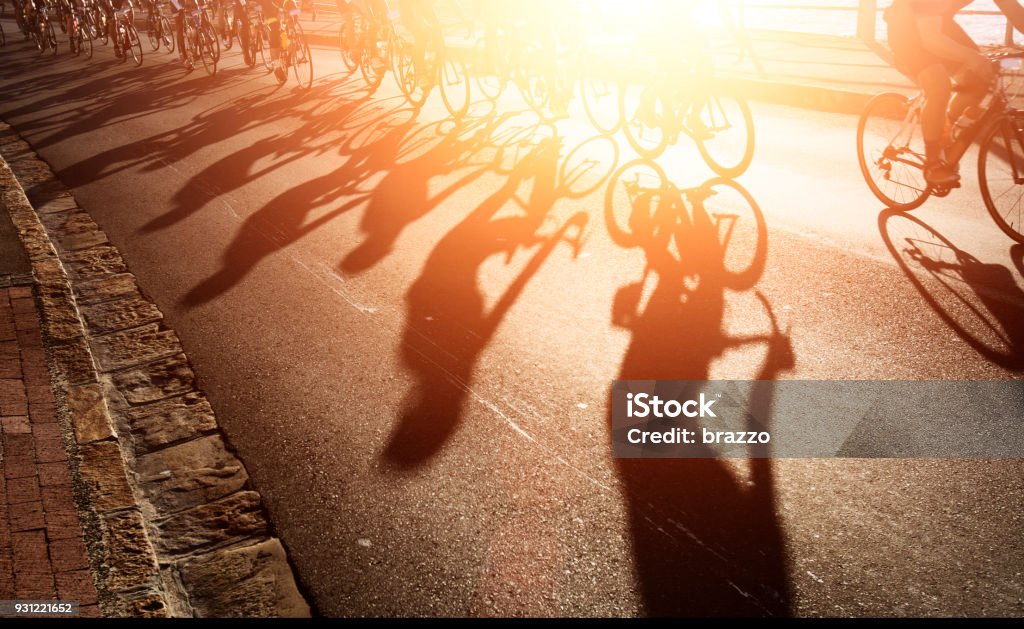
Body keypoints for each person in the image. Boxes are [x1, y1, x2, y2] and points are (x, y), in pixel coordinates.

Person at [886, 0, 1024, 185]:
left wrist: (976, 60)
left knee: (981, 78)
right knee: (939, 87)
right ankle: (933, 164)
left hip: (940, 24)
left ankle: (946, 132)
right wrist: (973, 57)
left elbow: (1017, 15)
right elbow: (930, 39)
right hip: (906, 30)